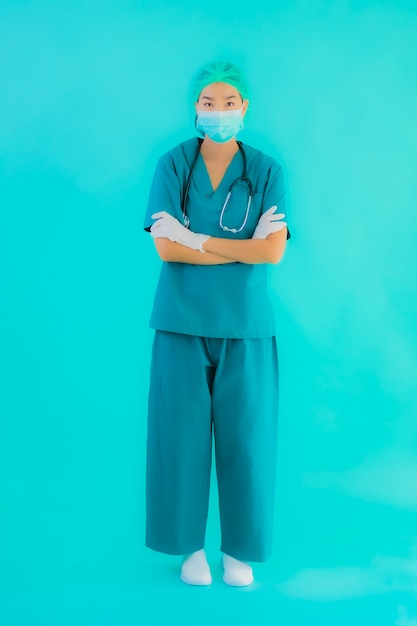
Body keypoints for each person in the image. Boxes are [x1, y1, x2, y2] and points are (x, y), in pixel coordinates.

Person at [143, 61, 291, 587]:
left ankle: (240, 553)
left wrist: (196, 241)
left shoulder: (268, 170)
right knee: (178, 439)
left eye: (230, 102)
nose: (219, 111)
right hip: (180, 323)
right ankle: (187, 551)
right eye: (209, 102)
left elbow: (272, 252)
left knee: (247, 442)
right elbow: (163, 246)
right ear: (195, 107)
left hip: (247, 327)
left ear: (245, 107)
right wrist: (240, 249)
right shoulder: (174, 165)